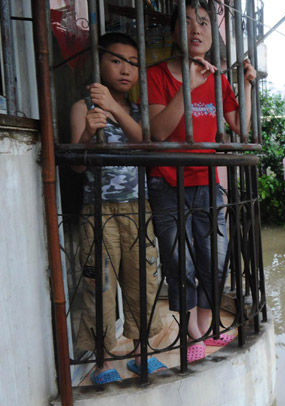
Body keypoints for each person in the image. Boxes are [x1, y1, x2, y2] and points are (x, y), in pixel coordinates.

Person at [146, 1, 256, 362]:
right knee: (180, 262)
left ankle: (208, 326)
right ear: (175, 32)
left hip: (207, 182)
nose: (197, 28)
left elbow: (242, 127)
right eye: (188, 22)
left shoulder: (219, 79)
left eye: (205, 22)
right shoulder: (157, 75)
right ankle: (191, 331)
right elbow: (159, 132)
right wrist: (189, 86)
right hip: (167, 182)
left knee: (214, 258)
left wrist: (248, 87)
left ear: (212, 34)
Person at [70, 32, 165, 384]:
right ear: (99, 63)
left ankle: (141, 353)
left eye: (133, 63)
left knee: (143, 280)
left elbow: (148, 146)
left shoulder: (139, 111)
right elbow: (77, 166)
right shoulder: (83, 107)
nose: (126, 69)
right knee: (101, 286)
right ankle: (102, 361)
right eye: (116, 60)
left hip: (138, 209)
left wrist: (114, 107)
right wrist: (84, 137)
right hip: (99, 211)